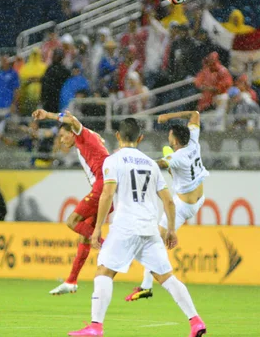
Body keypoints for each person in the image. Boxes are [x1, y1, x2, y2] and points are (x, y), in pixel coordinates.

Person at [68, 118, 206, 337]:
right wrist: (170, 229)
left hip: (125, 227)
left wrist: (97, 229)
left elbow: (107, 194)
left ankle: (95, 326)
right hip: (149, 228)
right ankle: (196, 321)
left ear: (118, 136)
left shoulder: (112, 161)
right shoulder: (151, 164)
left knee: (103, 271)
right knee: (167, 277)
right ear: (140, 138)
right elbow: (169, 201)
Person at [125, 111, 208, 302]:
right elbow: (195, 114)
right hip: (198, 199)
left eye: (170, 135)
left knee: (151, 242)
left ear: (176, 141)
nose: (168, 137)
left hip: (182, 207)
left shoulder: (177, 157)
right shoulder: (194, 141)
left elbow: (157, 164)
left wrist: (133, 162)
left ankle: (147, 286)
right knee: (155, 240)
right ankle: (146, 286)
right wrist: (168, 117)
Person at [32, 108, 111, 296]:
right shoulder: (88, 138)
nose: (61, 140)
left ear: (71, 132)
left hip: (103, 187)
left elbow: (73, 120)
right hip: (106, 188)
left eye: (62, 135)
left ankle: (110, 247)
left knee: (72, 221)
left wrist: (48, 115)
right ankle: (71, 281)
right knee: (84, 237)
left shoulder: (81, 133)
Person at [19, 48, 47, 116]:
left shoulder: (44, 66)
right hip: (28, 97)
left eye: (36, 54)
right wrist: (31, 80)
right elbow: (22, 80)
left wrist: (35, 79)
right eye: (34, 54)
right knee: (30, 114)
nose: (35, 56)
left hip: (40, 96)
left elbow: (46, 79)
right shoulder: (26, 67)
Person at [42, 48, 70, 113]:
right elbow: (44, 84)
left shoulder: (65, 71)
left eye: (58, 56)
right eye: (55, 55)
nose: (56, 57)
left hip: (60, 99)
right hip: (49, 100)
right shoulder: (49, 69)